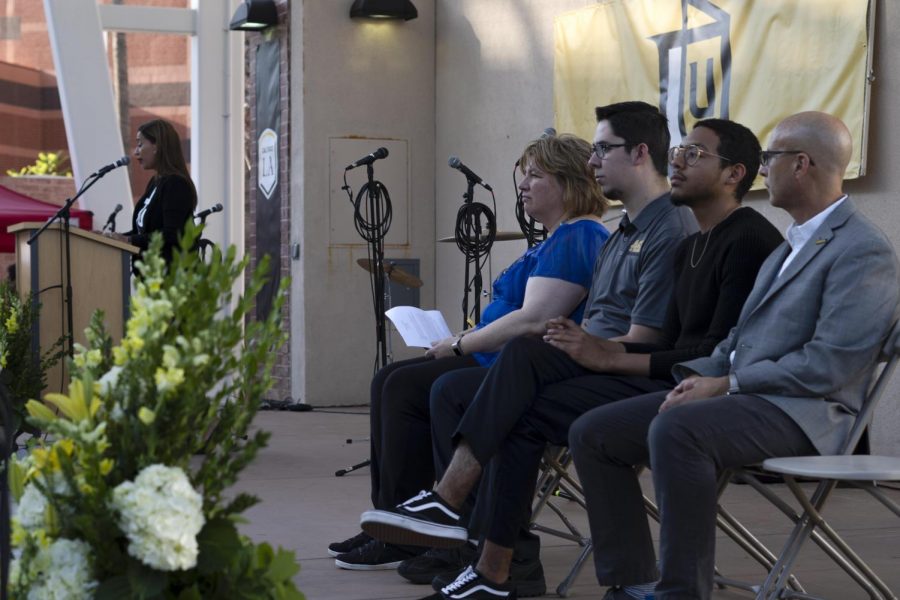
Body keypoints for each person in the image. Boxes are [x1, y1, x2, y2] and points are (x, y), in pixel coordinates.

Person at [362, 116, 784, 600]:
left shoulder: (735, 236)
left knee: (519, 357)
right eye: (680, 152)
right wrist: (600, 351)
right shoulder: (685, 240)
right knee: (506, 404)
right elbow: (670, 339)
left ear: (733, 174)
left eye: (694, 154)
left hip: (696, 388)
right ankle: (494, 570)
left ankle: (449, 503)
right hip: (651, 370)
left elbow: (711, 354)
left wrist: (607, 356)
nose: (678, 164)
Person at [566, 111, 900, 600]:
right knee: (595, 432)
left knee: (678, 431)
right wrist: (694, 377)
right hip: (749, 399)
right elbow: (736, 341)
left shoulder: (861, 249)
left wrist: (726, 384)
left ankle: (682, 591)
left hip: (811, 413)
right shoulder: (792, 242)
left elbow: (830, 365)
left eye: (770, 158)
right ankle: (633, 581)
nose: (763, 169)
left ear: (802, 164)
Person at [331, 133, 611, 570]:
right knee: (390, 380)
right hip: (494, 360)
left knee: (423, 386)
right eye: (524, 175)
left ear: (571, 182)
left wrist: (458, 343)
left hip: (515, 372)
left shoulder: (580, 236)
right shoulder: (555, 237)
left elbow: (532, 319)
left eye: (536, 176)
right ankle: (397, 523)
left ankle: (432, 531)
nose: (523, 185)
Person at [128, 119, 197, 275]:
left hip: (172, 279)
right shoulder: (156, 181)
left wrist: (128, 240)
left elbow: (171, 234)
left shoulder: (175, 184)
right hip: (152, 277)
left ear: (157, 146)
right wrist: (113, 238)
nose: (136, 152)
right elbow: (143, 232)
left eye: (140, 144)